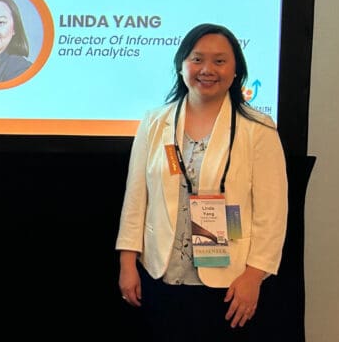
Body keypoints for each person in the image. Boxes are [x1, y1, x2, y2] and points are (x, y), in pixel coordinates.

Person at [116, 23, 288, 341]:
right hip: (161, 274)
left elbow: (272, 213)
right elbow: (136, 198)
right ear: (182, 66)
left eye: (220, 61)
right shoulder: (155, 122)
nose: (207, 69)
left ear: (236, 71)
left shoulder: (257, 129)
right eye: (197, 59)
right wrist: (128, 263)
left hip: (229, 282)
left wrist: (254, 276)